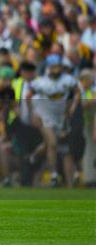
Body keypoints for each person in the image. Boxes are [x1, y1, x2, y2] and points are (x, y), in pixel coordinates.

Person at [27, 54, 81, 187]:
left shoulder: (68, 80)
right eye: (54, 67)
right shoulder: (41, 82)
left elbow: (77, 92)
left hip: (61, 118)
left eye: (58, 67)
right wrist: (33, 114)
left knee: (49, 144)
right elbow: (28, 95)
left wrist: (73, 106)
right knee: (53, 142)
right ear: (49, 68)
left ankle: (34, 155)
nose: (57, 70)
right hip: (44, 115)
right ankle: (54, 174)